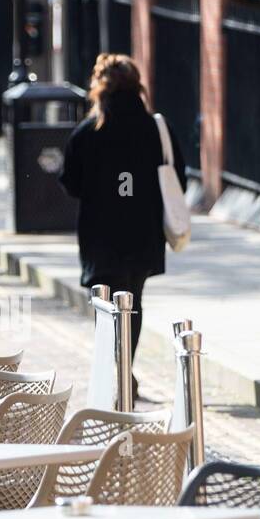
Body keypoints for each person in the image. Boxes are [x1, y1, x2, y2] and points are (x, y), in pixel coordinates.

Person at [59, 53, 187, 400]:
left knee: (106, 305)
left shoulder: (88, 131)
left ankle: (116, 369)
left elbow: (70, 183)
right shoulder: (155, 128)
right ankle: (124, 367)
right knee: (135, 300)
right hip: (143, 232)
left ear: (99, 87)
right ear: (137, 86)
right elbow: (181, 179)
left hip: (101, 234)